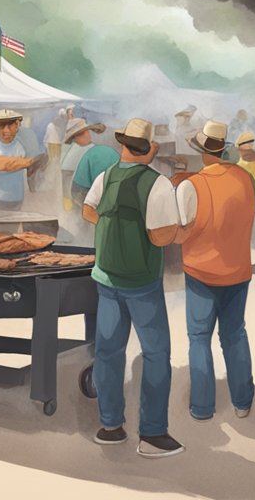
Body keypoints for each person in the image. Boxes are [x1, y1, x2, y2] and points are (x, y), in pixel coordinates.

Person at [81, 118, 185, 458]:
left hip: (106, 278)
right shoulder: (157, 184)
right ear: (151, 148)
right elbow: (159, 236)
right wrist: (182, 231)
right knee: (156, 354)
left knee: (109, 352)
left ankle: (110, 426)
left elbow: (88, 211)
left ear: (122, 145)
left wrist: (113, 229)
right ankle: (153, 434)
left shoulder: (105, 176)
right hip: (141, 282)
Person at [174, 121, 255, 422]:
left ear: (200, 151)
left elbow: (183, 227)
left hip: (200, 270)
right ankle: (243, 401)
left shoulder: (190, 186)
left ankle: (202, 407)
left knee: (199, 338)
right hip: (238, 269)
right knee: (234, 334)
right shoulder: (245, 178)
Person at [0, 109, 34, 214]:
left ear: (17, 126)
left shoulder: (20, 146)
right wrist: (29, 162)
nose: (6, 130)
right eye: (1, 126)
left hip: (16, 200)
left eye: (10, 125)